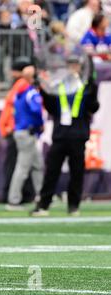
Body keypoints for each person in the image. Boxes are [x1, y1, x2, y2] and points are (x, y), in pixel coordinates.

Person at [32, 56, 100, 216]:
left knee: (77, 172)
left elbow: (94, 106)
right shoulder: (59, 85)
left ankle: (74, 205)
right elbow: (51, 107)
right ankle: (43, 205)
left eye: (75, 65)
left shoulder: (85, 85)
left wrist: (92, 90)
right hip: (60, 134)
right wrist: (43, 90)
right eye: (70, 65)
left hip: (78, 134)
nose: (72, 68)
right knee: (51, 171)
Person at [6, 66, 44, 211]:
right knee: (22, 168)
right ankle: (13, 201)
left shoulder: (18, 93)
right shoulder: (30, 93)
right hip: (27, 133)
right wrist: (40, 125)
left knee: (37, 165)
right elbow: (36, 110)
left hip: (21, 131)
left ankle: (42, 196)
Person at [0, 57, 36, 204]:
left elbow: (14, 109)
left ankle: (14, 195)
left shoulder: (21, 85)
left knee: (16, 165)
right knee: (22, 164)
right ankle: (23, 195)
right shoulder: (22, 85)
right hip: (17, 129)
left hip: (16, 130)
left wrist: (8, 127)